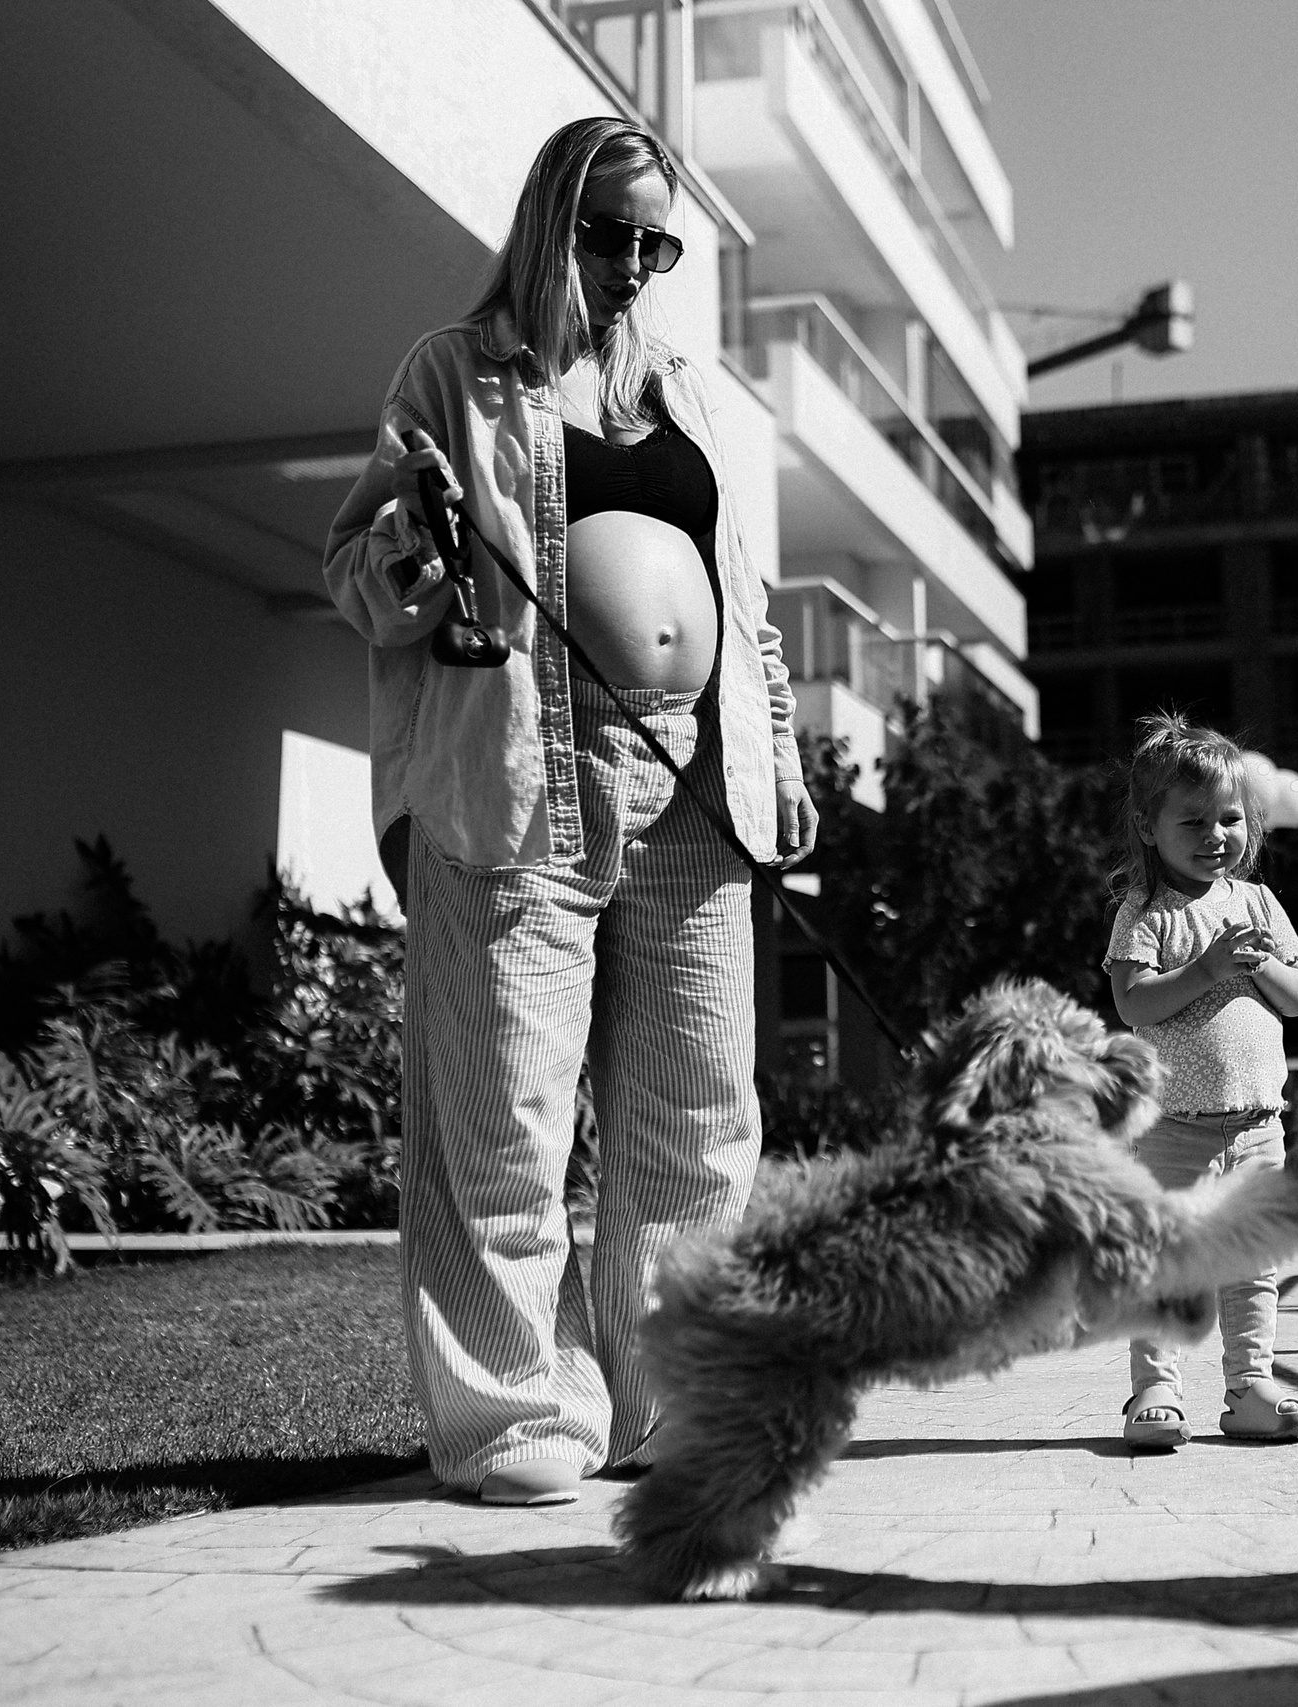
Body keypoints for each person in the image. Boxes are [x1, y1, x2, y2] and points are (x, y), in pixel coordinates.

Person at [322, 117, 815, 1506]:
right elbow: (357, 572)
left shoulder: (694, 390)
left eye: (661, 243)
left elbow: (744, 606)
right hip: (520, 769)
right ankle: (505, 1416)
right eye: (613, 235)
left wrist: (778, 760)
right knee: (504, 1113)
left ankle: (676, 1400)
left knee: (697, 1122)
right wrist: (415, 541)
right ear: (551, 218)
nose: (637, 266)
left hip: (696, 786)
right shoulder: (452, 373)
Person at [1102, 713, 1298, 1449]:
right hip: (1174, 1128)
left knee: (1253, 1265)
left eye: (1229, 818)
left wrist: (1260, 965)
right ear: (1148, 825)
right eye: (1192, 819)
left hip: (1258, 1123)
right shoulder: (1146, 913)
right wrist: (1205, 969)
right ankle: (1156, 1388)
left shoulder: (1257, 905)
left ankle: (1251, 1386)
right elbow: (1133, 1002)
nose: (1215, 834)